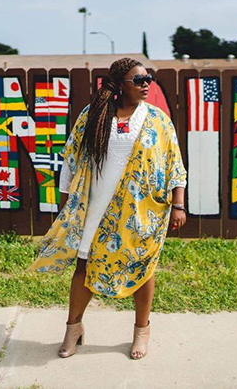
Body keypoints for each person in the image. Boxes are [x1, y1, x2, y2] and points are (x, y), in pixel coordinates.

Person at [28, 57, 188, 360]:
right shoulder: (94, 115)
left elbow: (174, 164)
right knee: (84, 267)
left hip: (142, 211)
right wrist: (68, 204)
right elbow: (71, 159)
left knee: (142, 268)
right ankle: (73, 328)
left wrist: (178, 204)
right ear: (119, 84)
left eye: (148, 79)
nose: (145, 85)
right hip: (95, 207)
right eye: (138, 80)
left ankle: (142, 331)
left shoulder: (157, 119)